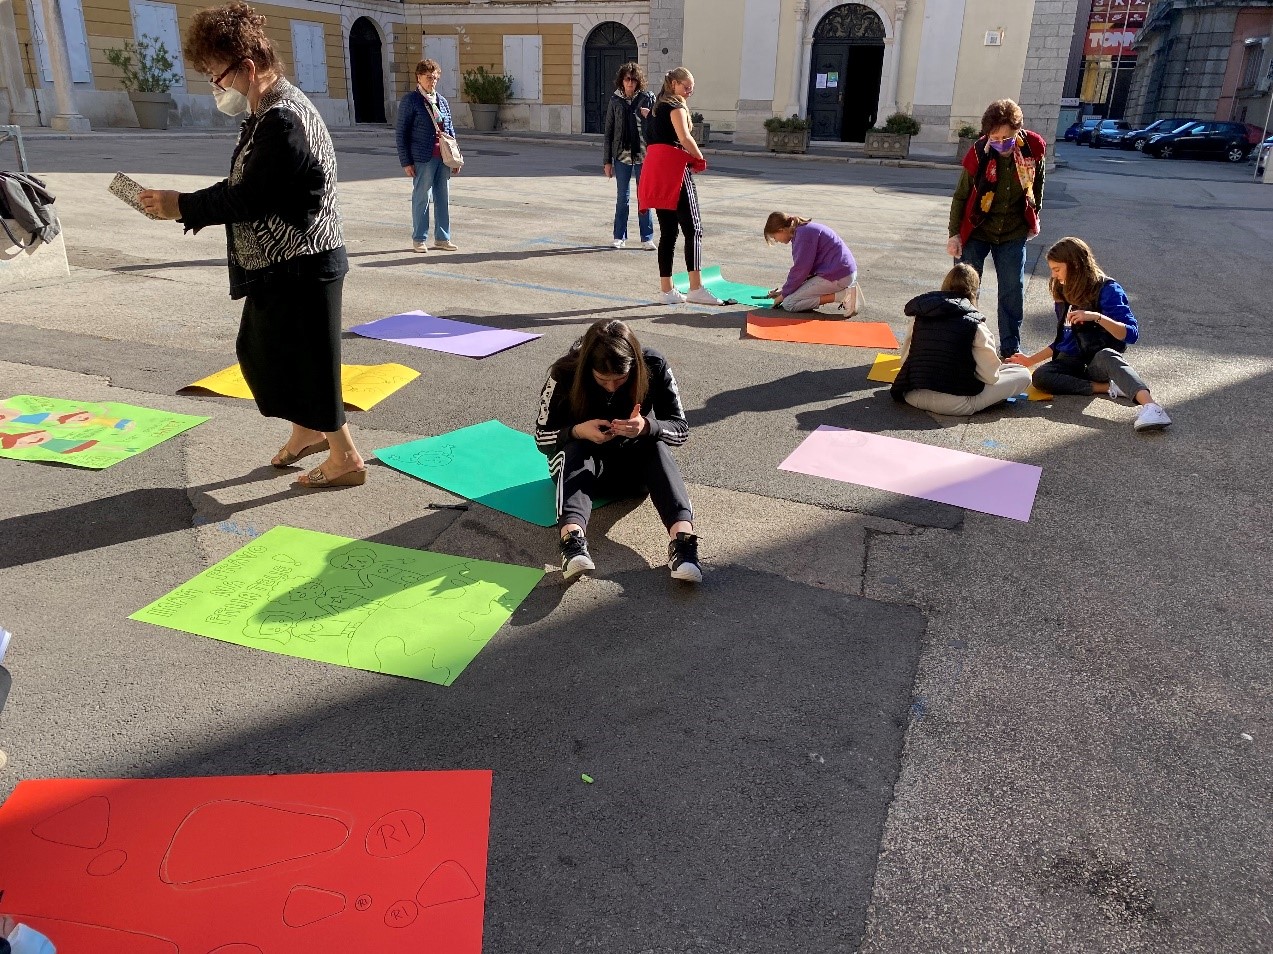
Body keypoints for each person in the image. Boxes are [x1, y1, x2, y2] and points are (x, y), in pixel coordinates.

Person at [138, 1, 366, 488]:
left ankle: (346, 458)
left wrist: (183, 205)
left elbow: (249, 196)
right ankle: (307, 430)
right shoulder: (269, 111)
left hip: (305, 263)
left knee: (308, 364)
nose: (215, 88)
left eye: (217, 77)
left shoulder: (282, 119)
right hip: (286, 264)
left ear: (246, 66)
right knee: (269, 354)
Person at [534, 320, 702, 582]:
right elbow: (541, 438)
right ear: (587, 367)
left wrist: (647, 426)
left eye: (621, 379)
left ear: (634, 364)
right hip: (581, 470)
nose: (612, 387)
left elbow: (680, 430)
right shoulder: (564, 373)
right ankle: (572, 542)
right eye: (603, 379)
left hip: (635, 476)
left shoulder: (654, 364)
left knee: (655, 444)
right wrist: (577, 430)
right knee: (576, 447)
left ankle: (683, 543)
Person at [1009, 237, 1171, 431]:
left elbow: (1131, 334)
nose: (1053, 275)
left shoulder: (1108, 289)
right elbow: (1063, 340)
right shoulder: (1062, 291)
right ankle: (1110, 387)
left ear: (1075, 265)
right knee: (1041, 377)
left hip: (1097, 359)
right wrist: (1030, 360)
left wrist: (1096, 317)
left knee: (1107, 356)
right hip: (1073, 362)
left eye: (1057, 269)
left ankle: (1152, 407)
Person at [947, 98, 1047, 359]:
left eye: (1008, 136)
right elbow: (960, 196)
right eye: (996, 136)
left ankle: (1010, 346)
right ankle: (963, 338)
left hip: (1012, 231)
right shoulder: (979, 153)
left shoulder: (1033, 148)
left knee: (1012, 289)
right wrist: (954, 234)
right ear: (987, 134)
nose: (1002, 142)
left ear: (1018, 130)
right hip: (977, 230)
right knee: (965, 286)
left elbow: (1037, 187)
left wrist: (1033, 216)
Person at [890, 263, 1032, 414]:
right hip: (956, 403)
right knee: (1022, 374)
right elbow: (990, 377)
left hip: (912, 395)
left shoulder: (920, 316)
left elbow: (905, 360)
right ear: (974, 291)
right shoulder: (975, 324)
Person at [637, 68, 724, 306]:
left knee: (669, 232)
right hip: (674, 169)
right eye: (686, 87)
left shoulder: (656, 109)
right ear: (674, 84)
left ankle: (667, 290)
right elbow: (684, 137)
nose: (689, 91)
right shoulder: (676, 106)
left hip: (655, 170)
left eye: (691, 87)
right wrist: (699, 158)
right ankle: (695, 287)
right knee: (693, 228)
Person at [396, 58, 459, 254]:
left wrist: (456, 156)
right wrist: (406, 161)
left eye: (435, 78)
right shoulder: (411, 101)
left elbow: (450, 130)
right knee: (422, 198)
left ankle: (442, 238)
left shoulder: (442, 101)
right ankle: (419, 238)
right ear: (419, 77)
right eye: (428, 77)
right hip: (423, 157)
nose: (432, 81)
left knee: (443, 197)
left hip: (443, 157)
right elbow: (401, 133)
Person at [763, 212, 861, 315]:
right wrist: (784, 292)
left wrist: (782, 297)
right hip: (842, 272)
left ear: (781, 230)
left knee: (789, 303)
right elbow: (804, 272)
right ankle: (845, 292)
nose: (777, 241)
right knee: (790, 297)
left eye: (774, 237)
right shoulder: (802, 230)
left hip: (838, 276)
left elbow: (800, 270)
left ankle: (844, 295)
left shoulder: (803, 235)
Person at [603, 62, 656, 250]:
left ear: (638, 81)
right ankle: (619, 236)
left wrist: (649, 116)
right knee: (622, 197)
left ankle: (647, 237)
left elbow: (658, 127)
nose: (630, 83)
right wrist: (607, 161)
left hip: (644, 155)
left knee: (645, 197)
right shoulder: (615, 100)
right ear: (622, 80)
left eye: (634, 80)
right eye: (627, 79)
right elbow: (609, 132)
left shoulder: (648, 98)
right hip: (622, 155)